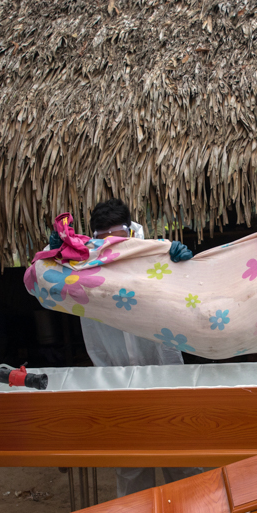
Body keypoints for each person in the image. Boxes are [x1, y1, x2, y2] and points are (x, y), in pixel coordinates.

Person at [76, 198, 200, 497]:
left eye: (117, 235)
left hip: (165, 373)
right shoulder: (82, 267)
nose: (111, 244)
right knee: (131, 460)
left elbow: (190, 293)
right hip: (116, 377)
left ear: (131, 231)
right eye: (102, 237)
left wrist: (182, 264)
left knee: (180, 454)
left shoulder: (156, 257)